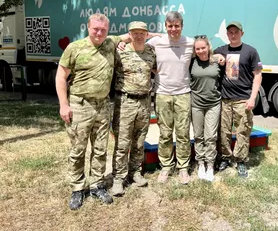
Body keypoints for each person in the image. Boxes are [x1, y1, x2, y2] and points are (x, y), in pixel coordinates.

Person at [55, 13, 130, 210]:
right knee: (78, 149)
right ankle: (78, 188)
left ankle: (97, 185)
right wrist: (64, 104)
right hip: (80, 105)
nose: (99, 33)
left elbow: (130, 35)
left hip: (103, 105)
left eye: (103, 30)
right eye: (95, 29)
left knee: (100, 148)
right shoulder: (75, 48)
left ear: (108, 30)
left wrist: (156, 35)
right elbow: (61, 76)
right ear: (88, 28)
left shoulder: (110, 43)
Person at [146, 11, 194, 184]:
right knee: (165, 133)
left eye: (177, 26)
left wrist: (218, 57)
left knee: (182, 133)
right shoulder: (156, 42)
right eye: (170, 26)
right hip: (162, 94)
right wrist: (121, 43)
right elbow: (137, 45)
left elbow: (207, 53)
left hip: (183, 94)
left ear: (182, 26)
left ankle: (183, 168)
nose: (174, 29)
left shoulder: (190, 43)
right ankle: (166, 166)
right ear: (165, 26)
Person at [110, 21, 156, 196]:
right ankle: (118, 178)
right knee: (122, 143)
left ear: (146, 34)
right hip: (125, 102)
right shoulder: (120, 51)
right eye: (134, 32)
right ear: (129, 34)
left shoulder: (151, 52)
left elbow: (158, 69)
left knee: (139, 141)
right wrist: (120, 41)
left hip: (145, 102)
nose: (138, 36)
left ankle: (134, 172)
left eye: (142, 33)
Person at [214, 21, 262, 178]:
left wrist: (252, 98)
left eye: (236, 32)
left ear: (242, 33)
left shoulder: (250, 51)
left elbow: (257, 75)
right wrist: (217, 57)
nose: (233, 35)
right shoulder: (221, 50)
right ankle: (226, 158)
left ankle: (241, 161)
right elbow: (207, 54)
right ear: (227, 34)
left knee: (243, 131)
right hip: (225, 99)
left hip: (243, 100)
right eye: (230, 32)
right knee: (224, 131)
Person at [190, 35, 223, 182]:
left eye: (203, 47)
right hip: (196, 104)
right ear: (194, 50)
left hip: (213, 104)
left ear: (208, 47)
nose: (201, 51)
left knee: (210, 136)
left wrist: (221, 57)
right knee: (198, 135)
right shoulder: (191, 62)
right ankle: (200, 163)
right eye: (198, 48)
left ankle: (210, 165)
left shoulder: (216, 60)